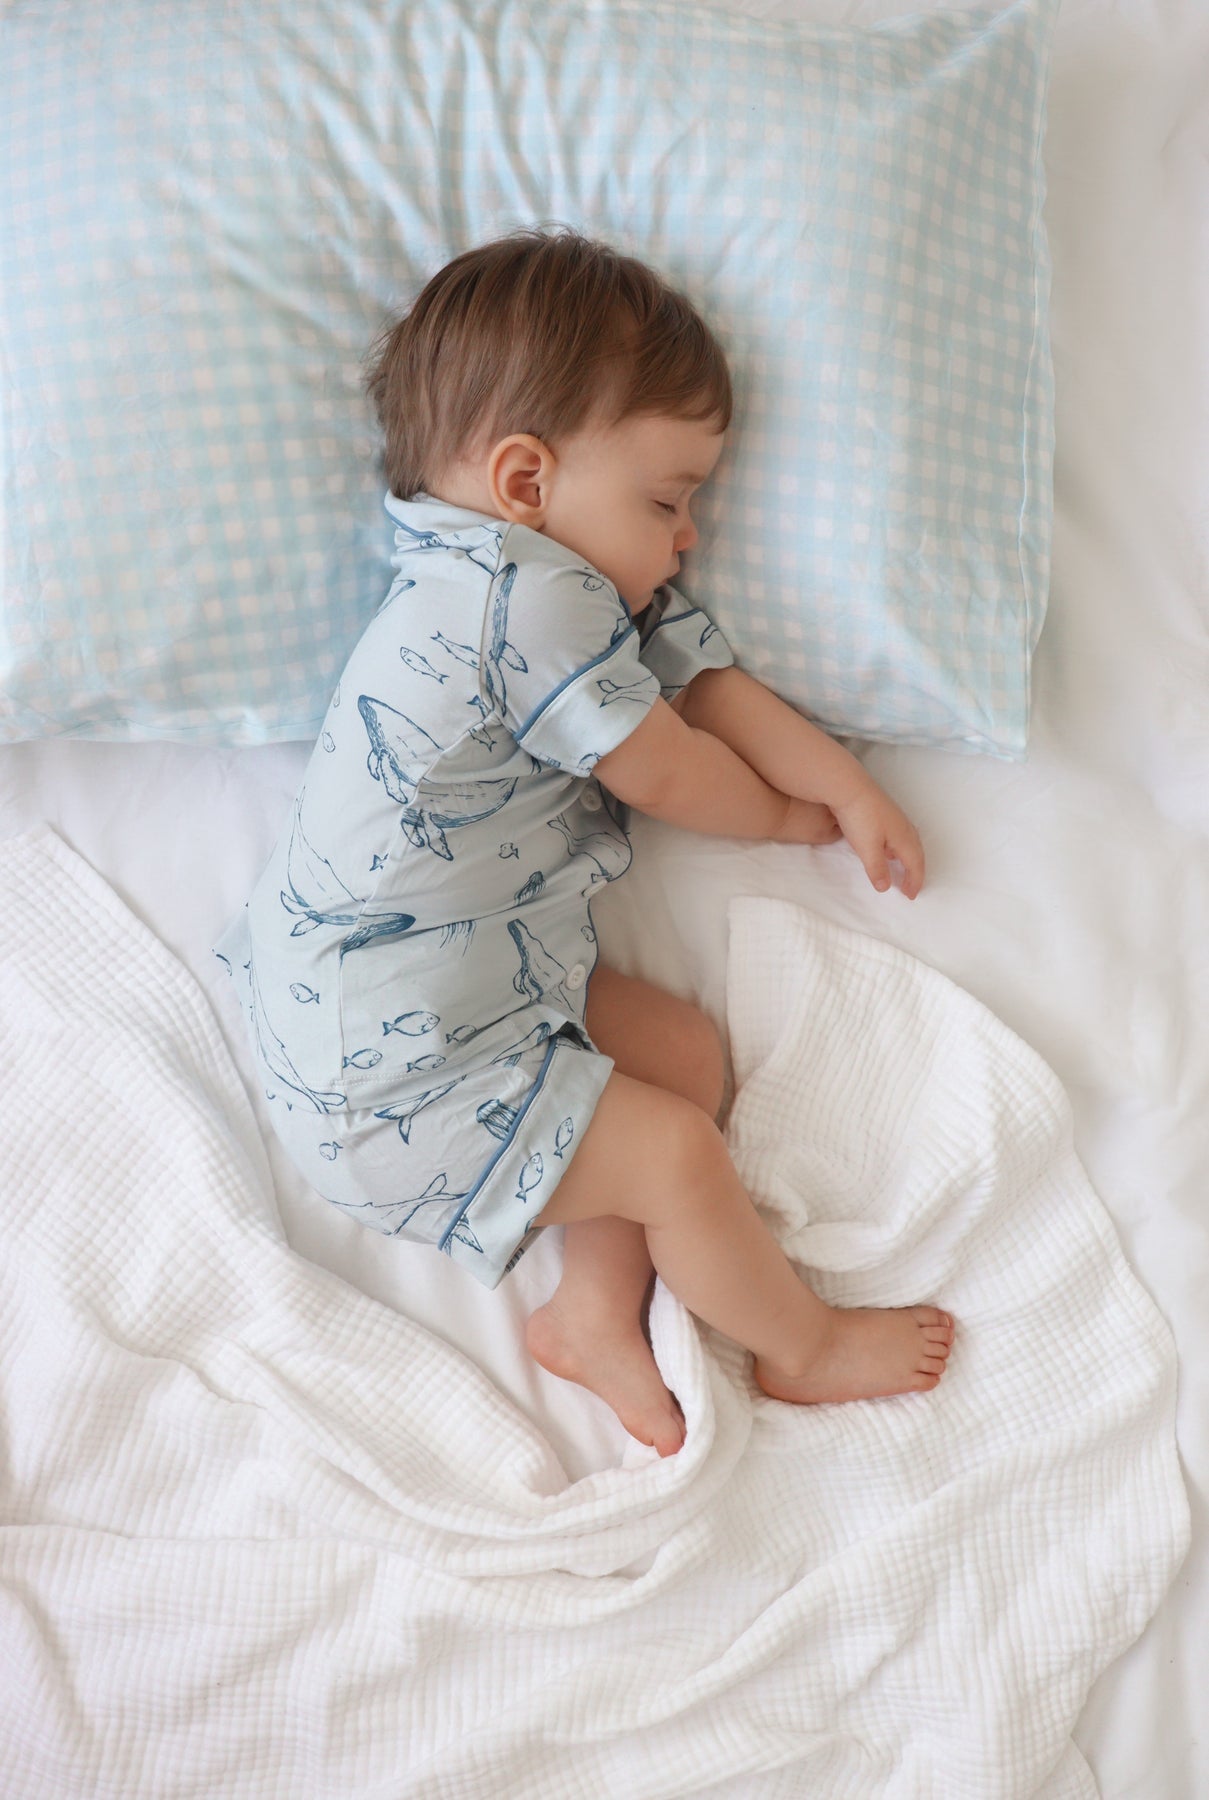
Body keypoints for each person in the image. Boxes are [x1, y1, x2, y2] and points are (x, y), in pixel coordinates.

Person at [214, 225, 953, 1460]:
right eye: (668, 500)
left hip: (421, 1008)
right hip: (394, 1078)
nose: (689, 535)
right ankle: (803, 1346)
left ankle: (592, 1318)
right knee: (677, 1158)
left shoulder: (516, 575)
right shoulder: (521, 599)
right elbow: (664, 766)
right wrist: (788, 820)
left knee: (678, 1059)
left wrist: (846, 787)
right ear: (525, 479)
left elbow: (702, 683)